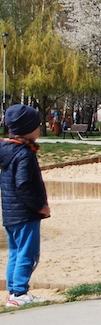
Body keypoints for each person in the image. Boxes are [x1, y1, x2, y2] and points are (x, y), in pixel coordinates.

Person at [1, 104, 50, 307]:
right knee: (27, 253)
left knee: (15, 252)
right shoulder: (24, 154)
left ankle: (13, 292)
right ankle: (20, 292)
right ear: (28, 129)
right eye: (37, 126)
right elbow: (23, 185)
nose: (39, 129)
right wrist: (39, 207)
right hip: (25, 213)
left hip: (10, 214)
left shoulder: (8, 151)